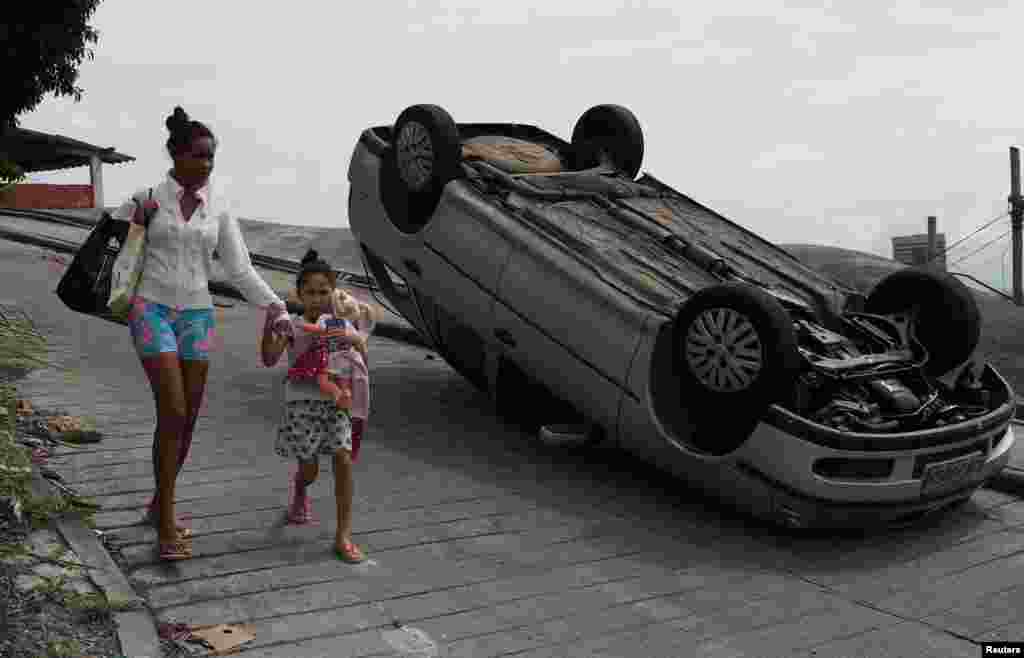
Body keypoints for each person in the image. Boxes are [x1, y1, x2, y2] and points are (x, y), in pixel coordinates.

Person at [117, 106, 291, 561]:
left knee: (188, 416)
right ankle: (168, 522)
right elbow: (114, 249)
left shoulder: (218, 207)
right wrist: (137, 219)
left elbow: (238, 268)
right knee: (172, 408)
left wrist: (276, 306)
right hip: (150, 309)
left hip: (197, 313)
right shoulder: (146, 197)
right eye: (199, 156)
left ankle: (159, 502)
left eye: (212, 157)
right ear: (176, 154)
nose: (208, 165)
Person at [261, 250, 371, 563]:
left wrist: (356, 348)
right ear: (299, 295)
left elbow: (360, 358)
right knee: (309, 469)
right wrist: (269, 326)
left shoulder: (341, 325)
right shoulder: (293, 327)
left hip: (336, 404)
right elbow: (269, 358)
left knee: (343, 460)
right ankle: (300, 489)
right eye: (310, 292)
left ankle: (343, 535)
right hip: (301, 405)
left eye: (324, 291)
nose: (318, 298)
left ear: (334, 293)